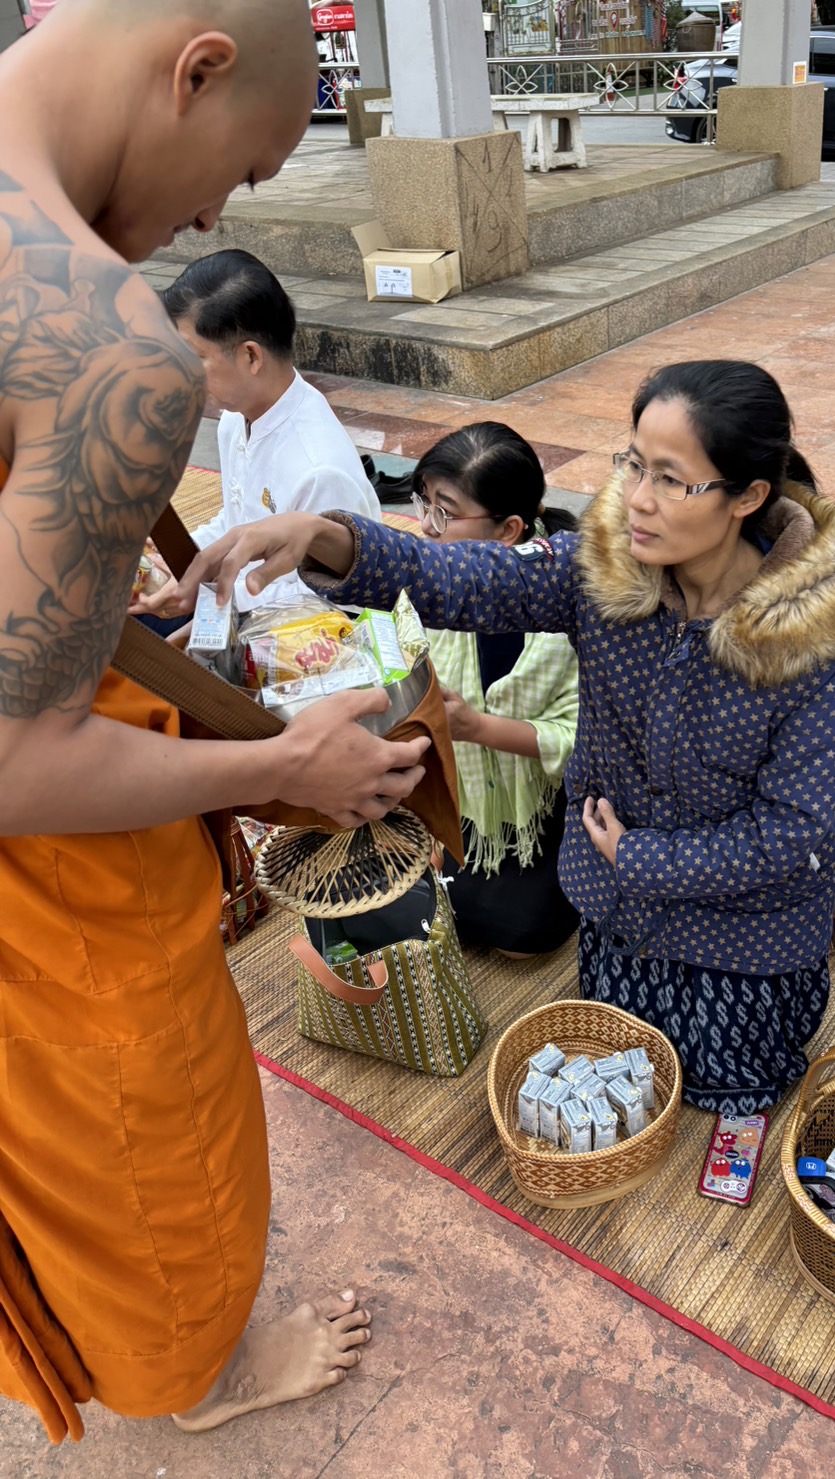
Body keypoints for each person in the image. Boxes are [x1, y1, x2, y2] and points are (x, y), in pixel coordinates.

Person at [0, 0, 432, 1444]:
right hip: (45, 875)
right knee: (148, 1124)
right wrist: (283, 761)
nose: (209, 218)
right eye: (242, 175)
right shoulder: (103, 342)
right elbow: (14, 761)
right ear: (198, 70)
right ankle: (196, 1370)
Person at [179, 360, 835, 1116]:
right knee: (613, 1052)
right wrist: (326, 537)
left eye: (673, 480)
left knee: (726, 1081)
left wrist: (638, 854)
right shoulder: (605, 568)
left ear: (747, 496)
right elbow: (464, 577)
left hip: (744, 921)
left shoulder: (819, 638)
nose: (635, 501)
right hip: (615, 899)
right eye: (634, 464)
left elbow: (792, 825)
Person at [133, 248, 380, 619]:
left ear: (251, 356)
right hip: (237, 605)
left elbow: (331, 605)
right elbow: (235, 520)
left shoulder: (319, 468)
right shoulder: (236, 417)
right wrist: (183, 558)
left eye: (194, 356)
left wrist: (206, 598)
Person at [410, 423, 580, 957]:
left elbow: (584, 738)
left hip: (548, 804)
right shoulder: (432, 589)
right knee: (417, 913)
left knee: (519, 939)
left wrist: (475, 727)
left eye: (445, 510)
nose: (427, 529)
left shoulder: (566, 611)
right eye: (424, 505)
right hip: (463, 795)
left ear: (508, 531)